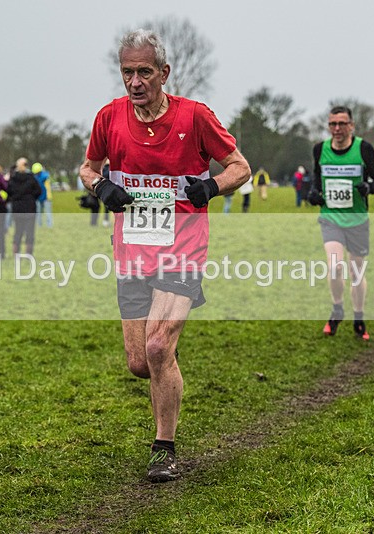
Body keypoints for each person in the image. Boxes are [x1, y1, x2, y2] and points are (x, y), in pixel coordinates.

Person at [79, 29, 250, 483]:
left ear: (164, 73)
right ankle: (166, 361)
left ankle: (164, 447)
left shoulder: (194, 117)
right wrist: (101, 187)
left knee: (157, 347)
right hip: (132, 251)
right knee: (141, 362)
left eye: (145, 72)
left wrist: (211, 186)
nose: (135, 82)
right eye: (127, 73)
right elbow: (87, 168)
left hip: (182, 249)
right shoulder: (109, 118)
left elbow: (240, 167)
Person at [307, 105, 374, 340]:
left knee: (357, 273)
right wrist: (313, 193)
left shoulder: (364, 149)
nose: (337, 128)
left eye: (342, 123)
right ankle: (337, 308)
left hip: (357, 220)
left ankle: (359, 316)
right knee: (334, 266)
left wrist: (369, 187)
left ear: (351, 125)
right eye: (333, 124)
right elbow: (317, 179)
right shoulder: (320, 149)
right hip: (330, 218)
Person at [7, 157, 41, 256]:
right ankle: (28, 253)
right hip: (29, 207)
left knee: (18, 231)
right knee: (30, 232)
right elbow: (38, 191)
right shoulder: (31, 178)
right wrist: (31, 197)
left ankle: (16, 253)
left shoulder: (13, 179)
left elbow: (9, 191)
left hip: (17, 208)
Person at [32, 162, 53, 228]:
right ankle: (44, 225)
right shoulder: (45, 176)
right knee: (41, 213)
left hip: (45, 198)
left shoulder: (42, 177)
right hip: (39, 198)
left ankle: (45, 225)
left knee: (44, 213)